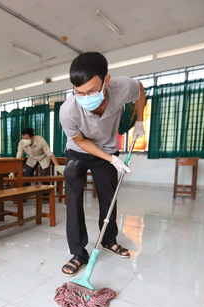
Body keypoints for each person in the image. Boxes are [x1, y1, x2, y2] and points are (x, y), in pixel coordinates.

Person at [59, 52, 146, 276]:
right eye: (78, 92)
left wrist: (139, 120)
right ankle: (78, 253)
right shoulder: (68, 110)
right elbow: (80, 141)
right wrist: (111, 159)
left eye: (92, 91)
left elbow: (140, 89)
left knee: (109, 196)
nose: (85, 97)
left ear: (106, 81)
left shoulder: (122, 87)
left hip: (107, 148)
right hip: (78, 151)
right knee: (74, 197)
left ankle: (108, 240)